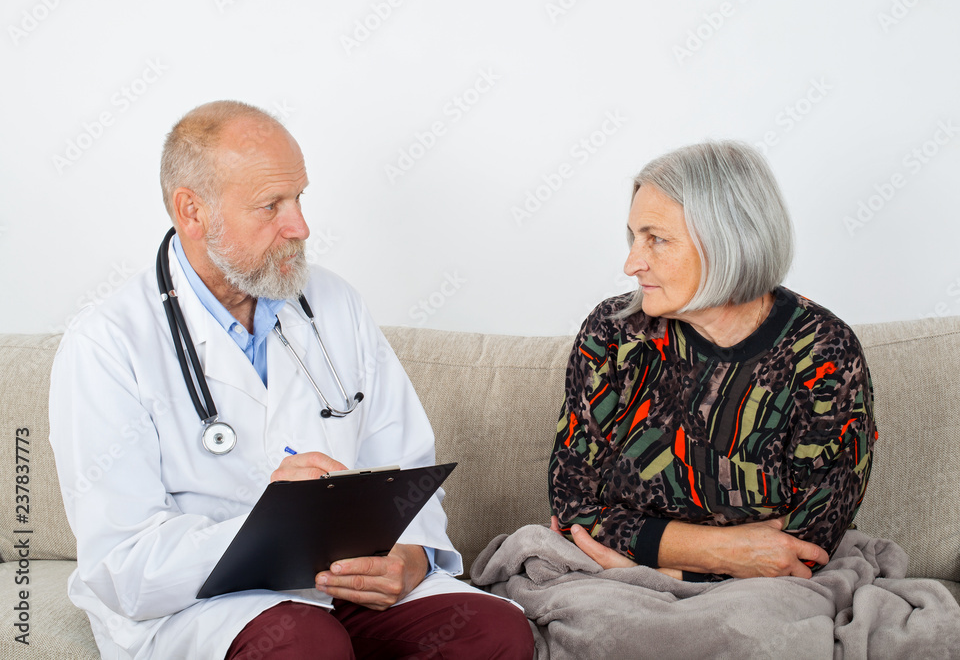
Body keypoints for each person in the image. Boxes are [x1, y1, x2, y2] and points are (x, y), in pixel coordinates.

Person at [48, 100, 534, 659]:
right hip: (203, 604)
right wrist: (269, 528)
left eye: (299, 197)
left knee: (493, 632)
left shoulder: (334, 305)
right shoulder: (106, 343)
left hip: (342, 582)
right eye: (270, 205)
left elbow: (406, 467)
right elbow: (124, 563)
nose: (299, 226)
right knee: (306, 646)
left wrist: (409, 556)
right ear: (193, 211)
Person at [549, 140, 876, 582]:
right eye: (633, 237)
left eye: (656, 239)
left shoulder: (823, 353)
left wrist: (644, 562)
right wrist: (717, 554)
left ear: (728, 239)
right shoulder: (614, 333)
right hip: (616, 584)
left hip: (765, 597)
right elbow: (571, 507)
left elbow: (806, 547)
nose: (631, 263)